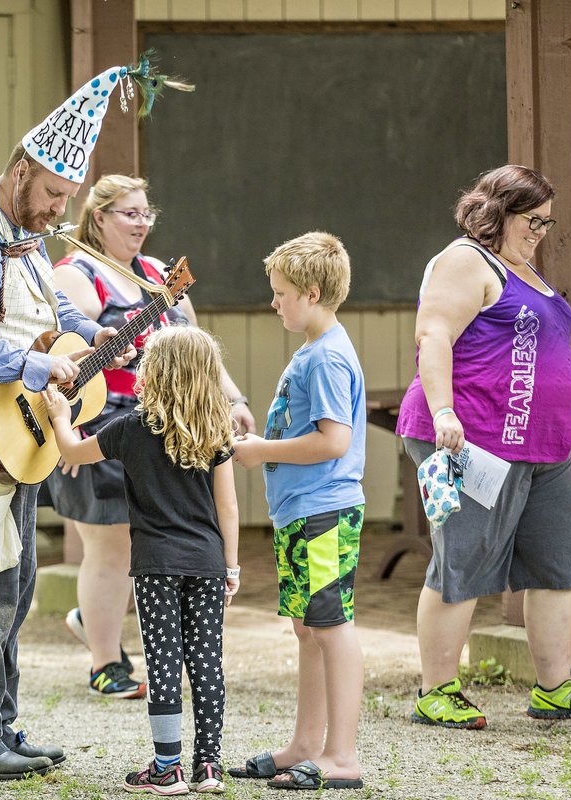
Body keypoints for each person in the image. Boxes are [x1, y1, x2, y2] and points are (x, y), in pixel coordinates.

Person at [0, 59, 184, 780]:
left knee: (15, 583)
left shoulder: (21, 231)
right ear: (19, 172)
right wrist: (37, 368)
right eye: (52, 194)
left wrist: (90, 332)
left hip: (10, 433)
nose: (58, 211)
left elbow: (48, 305)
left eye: (67, 197)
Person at [394, 165, 571, 727]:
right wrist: (443, 411)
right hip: (474, 441)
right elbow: (434, 334)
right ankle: (437, 691)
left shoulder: (522, 267)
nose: (540, 232)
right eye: (533, 220)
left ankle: (556, 688)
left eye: (547, 222)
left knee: (561, 559)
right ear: (498, 211)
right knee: (464, 558)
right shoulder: (467, 260)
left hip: (545, 449)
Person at [49, 174, 255, 701]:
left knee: (145, 541)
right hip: (97, 423)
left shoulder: (161, 274)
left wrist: (233, 399)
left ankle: (94, 619)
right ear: (99, 217)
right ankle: (105, 662)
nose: (142, 223)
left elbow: (196, 346)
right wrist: (68, 428)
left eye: (147, 213)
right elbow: (61, 349)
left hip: (163, 426)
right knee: (110, 541)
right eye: (130, 213)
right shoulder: (76, 275)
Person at [42, 325, 240, 795]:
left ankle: (167, 768)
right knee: (207, 661)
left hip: (155, 564)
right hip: (208, 564)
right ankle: (209, 766)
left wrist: (60, 416)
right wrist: (230, 567)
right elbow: (228, 507)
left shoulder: (130, 428)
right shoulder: (217, 432)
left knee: (164, 662)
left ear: (153, 374)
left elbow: (72, 452)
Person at [231, 232, 366, 790]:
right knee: (308, 628)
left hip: (324, 513)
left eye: (281, 293)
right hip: (301, 514)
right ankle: (306, 745)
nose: (273, 302)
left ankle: (342, 756)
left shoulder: (327, 356)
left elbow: (334, 442)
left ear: (311, 293)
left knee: (331, 627)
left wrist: (262, 450)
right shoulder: (313, 350)